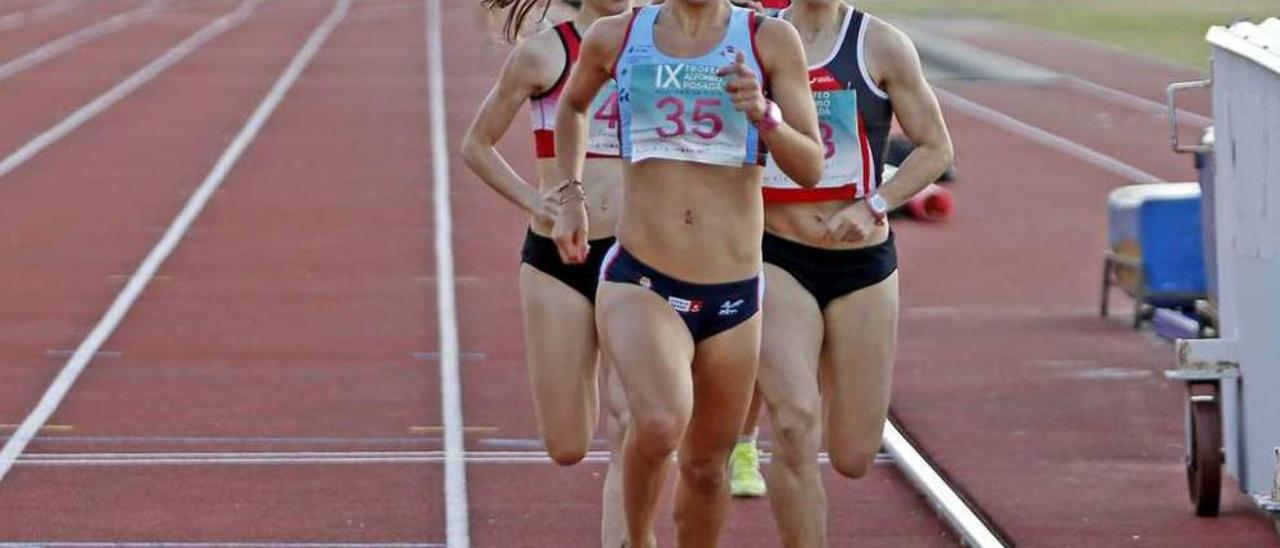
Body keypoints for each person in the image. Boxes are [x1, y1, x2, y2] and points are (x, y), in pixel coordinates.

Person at [553, 0, 823, 545]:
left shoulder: (768, 40)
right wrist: (571, 195)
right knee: (657, 421)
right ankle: (639, 538)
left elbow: (810, 166)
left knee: (705, 470)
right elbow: (574, 107)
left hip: (734, 295)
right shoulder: (618, 35)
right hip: (644, 279)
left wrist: (764, 114)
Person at [731, 0, 954, 545]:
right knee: (792, 424)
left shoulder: (879, 44)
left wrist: (875, 204)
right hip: (775, 251)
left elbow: (935, 148)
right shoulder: (754, 41)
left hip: (862, 263)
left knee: (854, 453)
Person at [460, 0, 632, 545]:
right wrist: (534, 202)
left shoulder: (659, 49)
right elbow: (476, 144)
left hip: (640, 259)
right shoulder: (543, 54)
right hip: (560, 260)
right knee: (568, 444)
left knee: (632, 426)